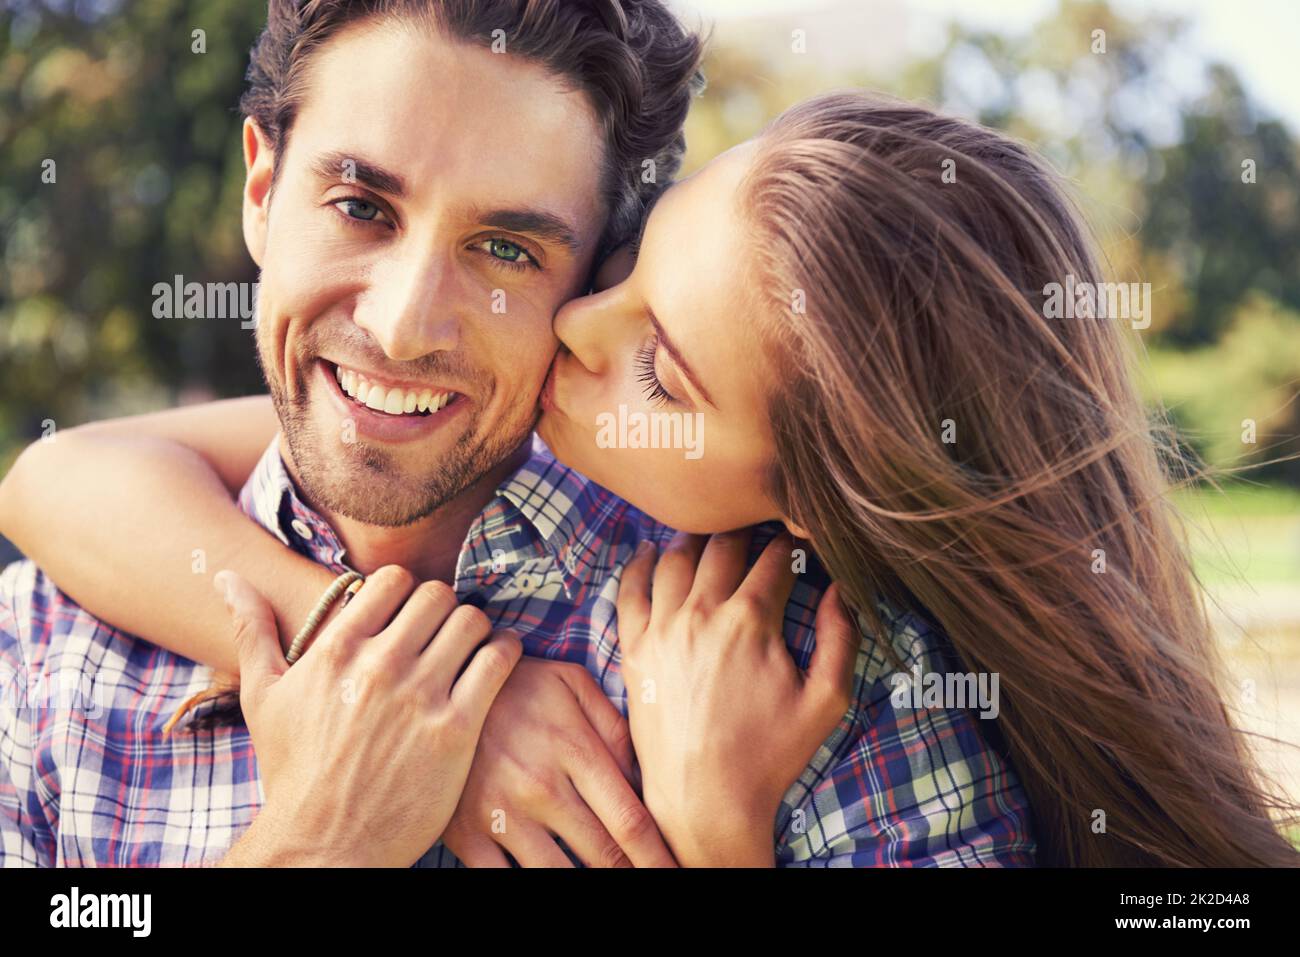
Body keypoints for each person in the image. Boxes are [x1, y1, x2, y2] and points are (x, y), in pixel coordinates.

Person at [9, 80, 1299, 865]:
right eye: (627, 269)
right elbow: (64, 474)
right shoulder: (85, 621)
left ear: (809, 498)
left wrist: (721, 841)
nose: (574, 326)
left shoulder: (845, 697)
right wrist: (418, 688)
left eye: (662, 374)